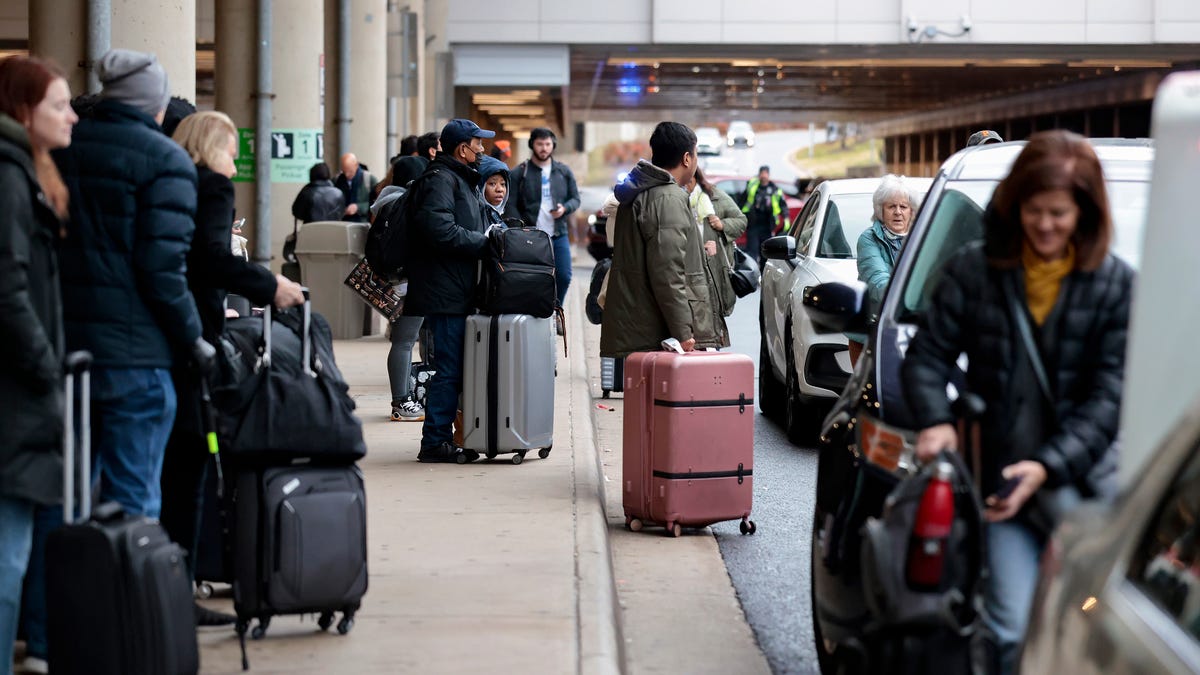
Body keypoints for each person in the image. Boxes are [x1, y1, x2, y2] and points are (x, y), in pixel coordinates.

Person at [902, 130, 1131, 674]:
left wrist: (1049, 466)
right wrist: (936, 420)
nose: (1045, 225)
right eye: (1034, 210)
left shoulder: (1115, 285)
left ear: (1086, 212)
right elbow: (928, 356)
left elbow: (1111, 395)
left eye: (1059, 212)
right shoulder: (975, 271)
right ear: (1015, 205)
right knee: (1008, 631)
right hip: (1004, 490)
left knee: (1084, 635)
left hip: (1086, 494)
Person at [33, 48, 213, 671]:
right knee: (136, 492)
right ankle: (125, 631)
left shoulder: (59, 152)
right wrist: (193, 339)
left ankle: (51, 635)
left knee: (62, 496)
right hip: (137, 355)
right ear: (155, 104)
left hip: (64, 351)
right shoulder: (165, 159)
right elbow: (162, 272)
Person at [159, 110, 305, 626]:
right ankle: (181, 582)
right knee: (191, 462)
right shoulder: (211, 188)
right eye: (229, 148)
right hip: (191, 335)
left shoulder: (164, 180)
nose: (234, 160)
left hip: (154, 340)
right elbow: (210, 260)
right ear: (209, 147)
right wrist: (271, 287)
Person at [0, 55, 76, 675]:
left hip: (21, 386)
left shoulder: (24, 171)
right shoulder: (8, 175)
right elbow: (6, 287)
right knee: (7, 555)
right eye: (58, 104)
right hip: (15, 391)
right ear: (24, 111)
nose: (72, 115)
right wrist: (46, 365)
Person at [405, 118, 494, 463]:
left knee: (452, 367)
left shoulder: (457, 178)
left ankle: (444, 435)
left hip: (454, 287)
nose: (482, 150)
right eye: (478, 144)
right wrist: (482, 244)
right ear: (463, 149)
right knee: (448, 368)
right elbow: (439, 230)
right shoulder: (441, 180)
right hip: (444, 291)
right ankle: (434, 442)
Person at [600, 122, 717, 357]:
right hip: (658, 332)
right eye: (695, 155)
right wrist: (684, 332)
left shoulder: (642, 192)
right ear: (686, 158)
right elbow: (668, 273)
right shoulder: (667, 199)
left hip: (641, 325)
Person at [371, 154, 429, 423]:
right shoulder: (408, 203)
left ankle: (403, 398)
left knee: (402, 340)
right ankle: (402, 401)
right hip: (410, 280)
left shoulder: (385, 201)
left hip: (393, 281)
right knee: (405, 341)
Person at [848, 174, 923, 364]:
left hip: (912, 332)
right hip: (871, 336)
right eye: (891, 206)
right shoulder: (868, 239)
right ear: (881, 210)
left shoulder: (923, 237)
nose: (898, 212)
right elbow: (878, 281)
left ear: (912, 211)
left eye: (903, 207)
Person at [505, 127, 580, 309]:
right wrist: (519, 229)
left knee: (563, 275)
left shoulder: (563, 171)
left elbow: (575, 199)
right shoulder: (519, 173)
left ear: (553, 145)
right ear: (532, 145)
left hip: (558, 233)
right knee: (532, 277)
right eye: (540, 144)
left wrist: (565, 208)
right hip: (531, 235)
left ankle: (556, 309)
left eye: (547, 144)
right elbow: (510, 204)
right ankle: (538, 313)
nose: (544, 148)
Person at [685, 166, 747, 346]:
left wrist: (722, 226)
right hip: (691, 267)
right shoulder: (679, 201)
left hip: (715, 266)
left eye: (690, 181)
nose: (686, 186)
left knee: (713, 314)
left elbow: (741, 220)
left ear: (697, 178)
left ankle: (712, 351)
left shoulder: (715, 197)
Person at [741, 164, 785, 262]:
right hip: (753, 224)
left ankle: (763, 273)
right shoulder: (752, 187)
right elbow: (742, 201)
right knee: (752, 252)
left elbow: (783, 205)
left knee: (765, 254)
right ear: (759, 175)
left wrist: (785, 218)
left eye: (766, 174)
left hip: (767, 226)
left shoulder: (774, 189)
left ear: (769, 175)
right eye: (762, 173)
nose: (764, 176)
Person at [334, 152, 377, 223]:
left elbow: (377, 204)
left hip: (363, 224)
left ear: (356, 165)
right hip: (342, 223)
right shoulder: (337, 180)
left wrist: (358, 207)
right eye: (344, 171)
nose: (347, 175)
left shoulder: (369, 179)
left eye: (350, 171)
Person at [477, 154, 510, 226]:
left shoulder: (502, 216)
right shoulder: (476, 217)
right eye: (492, 184)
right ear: (481, 187)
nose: (499, 189)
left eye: (503, 184)